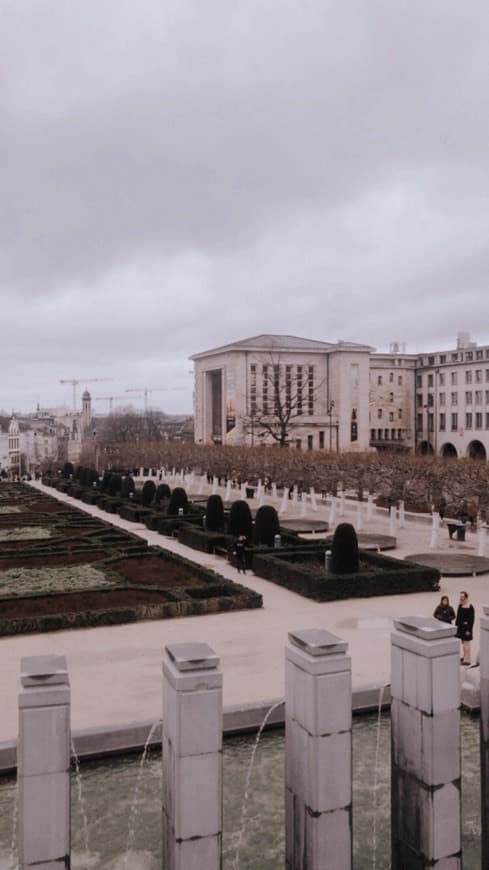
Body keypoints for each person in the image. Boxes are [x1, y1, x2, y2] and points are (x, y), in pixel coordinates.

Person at [455, 591, 475, 665]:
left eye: (462, 597)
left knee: (467, 645)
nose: (461, 598)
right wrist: (456, 625)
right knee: (463, 645)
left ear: (466, 597)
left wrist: (468, 630)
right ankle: (464, 657)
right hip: (460, 629)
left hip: (466, 629)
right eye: (460, 597)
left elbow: (471, 620)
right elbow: (458, 616)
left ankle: (467, 660)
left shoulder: (470, 607)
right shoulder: (460, 605)